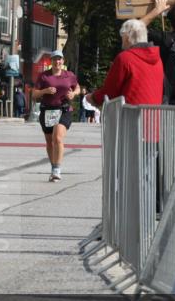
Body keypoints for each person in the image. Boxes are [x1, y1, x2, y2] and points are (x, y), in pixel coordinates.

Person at [87, 19, 164, 107]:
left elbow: (110, 92)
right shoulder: (158, 60)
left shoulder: (125, 58)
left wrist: (93, 98)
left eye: (122, 36)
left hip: (131, 117)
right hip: (153, 117)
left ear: (127, 37)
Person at [33, 50, 80, 182]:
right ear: (51, 61)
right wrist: (45, 91)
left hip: (64, 109)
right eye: (55, 59)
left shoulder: (69, 75)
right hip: (47, 111)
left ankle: (57, 170)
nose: (57, 62)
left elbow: (77, 88)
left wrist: (74, 94)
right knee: (49, 141)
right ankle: (53, 166)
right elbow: (34, 94)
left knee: (57, 138)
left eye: (59, 59)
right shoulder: (44, 76)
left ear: (63, 61)